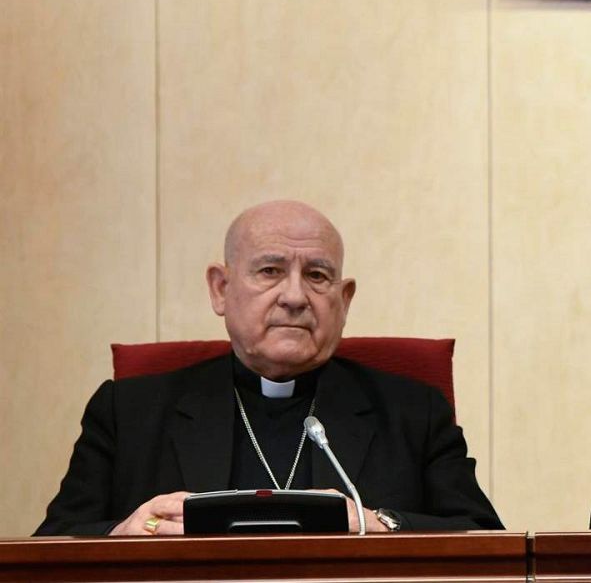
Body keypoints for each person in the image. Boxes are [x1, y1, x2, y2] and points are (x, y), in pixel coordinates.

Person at [36, 200, 502, 536]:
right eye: (270, 271)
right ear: (220, 289)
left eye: (317, 276)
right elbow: (48, 551)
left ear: (344, 301)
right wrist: (123, 533)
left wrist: (379, 521)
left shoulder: (413, 412)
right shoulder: (129, 413)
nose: (295, 297)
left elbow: (485, 540)